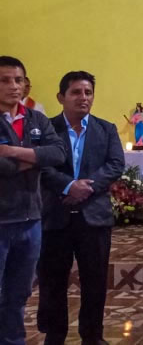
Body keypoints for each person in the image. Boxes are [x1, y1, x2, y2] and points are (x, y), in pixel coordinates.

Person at [38, 71, 125, 345]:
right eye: (76, 92)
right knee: (53, 281)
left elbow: (115, 164)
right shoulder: (46, 129)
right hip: (56, 216)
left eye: (88, 92)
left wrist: (85, 187)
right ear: (61, 97)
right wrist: (67, 186)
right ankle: (55, 336)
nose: (83, 98)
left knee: (95, 281)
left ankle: (92, 335)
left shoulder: (106, 129)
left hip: (94, 217)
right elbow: (40, 165)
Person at [0, 56, 65, 345]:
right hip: (2, 219)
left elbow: (58, 153)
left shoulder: (35, 119)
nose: (14, 86)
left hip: (30, 219)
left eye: (19, 80)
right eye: (5, 80)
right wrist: (35, 158)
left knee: (19, 292)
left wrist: (12, 152)